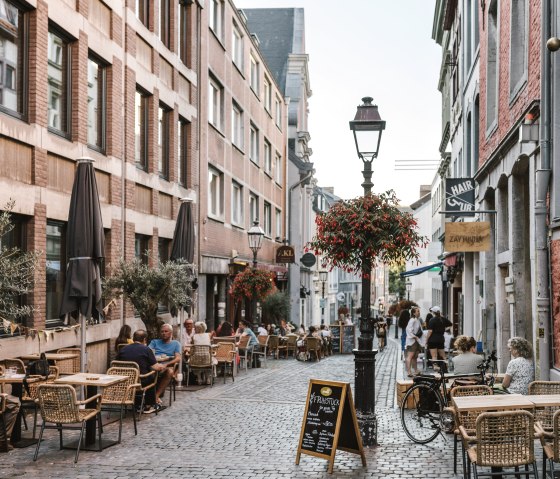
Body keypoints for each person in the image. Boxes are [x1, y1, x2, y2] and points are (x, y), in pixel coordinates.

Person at [117, 329, 167, 413]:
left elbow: (116, 363)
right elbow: (156, 367)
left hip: (125, 381)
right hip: (140, 381)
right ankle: (149, 406)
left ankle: (137, 404)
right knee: (153, 376)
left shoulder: (123, 349)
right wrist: (163, 366)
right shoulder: (146, 349)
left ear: (133, 339)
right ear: (144, 340)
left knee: (146, 375)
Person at [148, 323, 181, 405]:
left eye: (166, 331)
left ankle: (156, 395)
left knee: (170, 372)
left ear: (171, 333)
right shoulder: (154, 342)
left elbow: (178, 358)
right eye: (162, 331)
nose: (164, 333)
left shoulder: (176, 343)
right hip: (154, 363)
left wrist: (167, 364)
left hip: (167, 364)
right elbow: (148, 352)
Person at [405, 306, 423, 377]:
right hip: (412, 341)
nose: (419, 312)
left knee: (415, 357)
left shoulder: (416, 320)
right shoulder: (412, 320)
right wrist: (414, 336)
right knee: (410, 356)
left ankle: (415, 370)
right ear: (414, 313)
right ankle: (409, 372)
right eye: (417, 311)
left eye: (419, 311)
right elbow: (408, 329)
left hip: (416, 340)